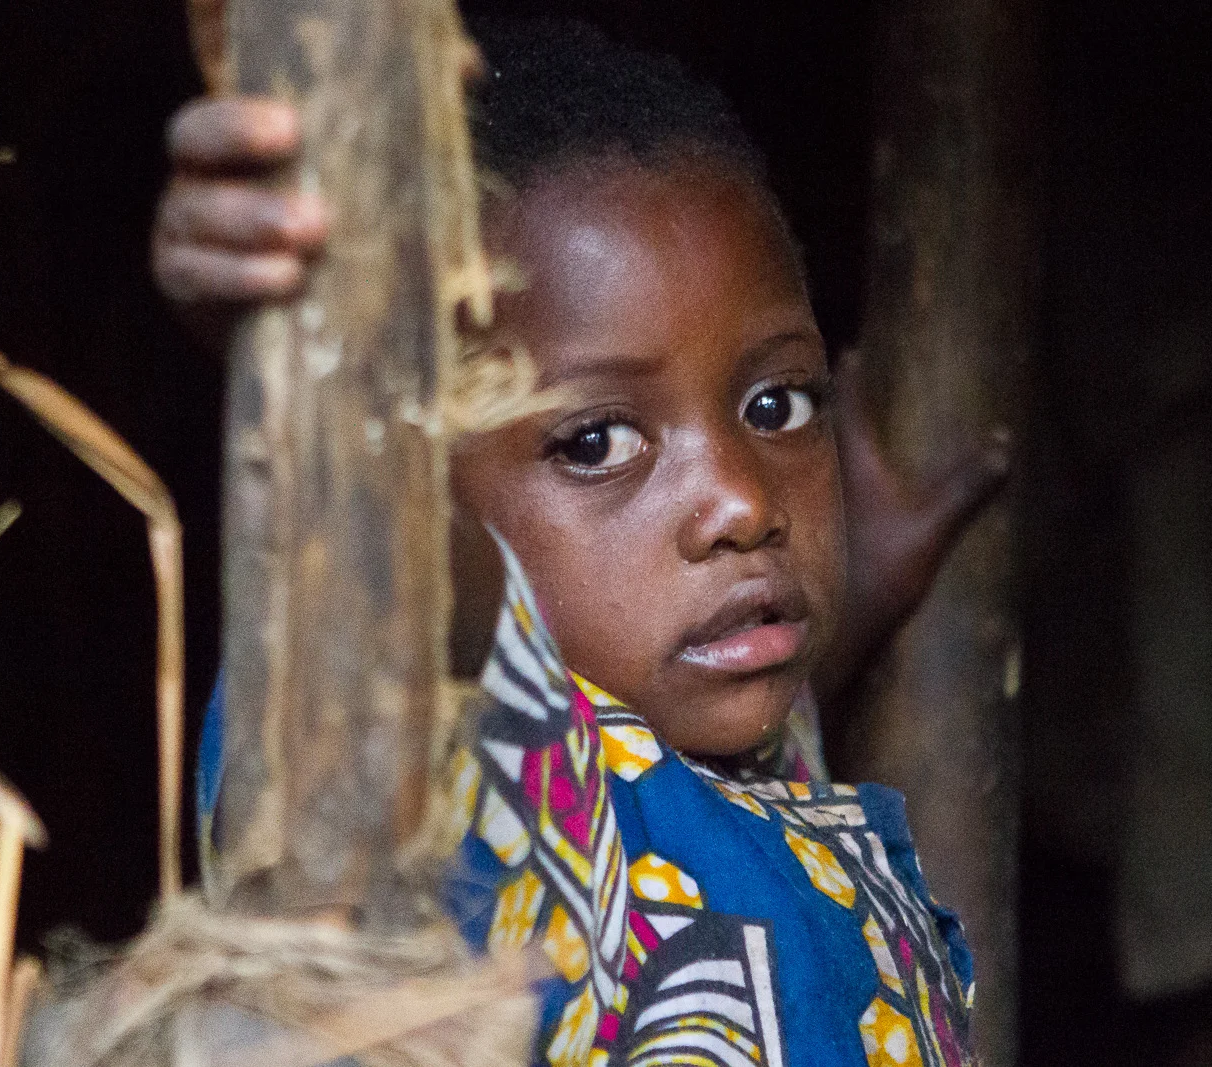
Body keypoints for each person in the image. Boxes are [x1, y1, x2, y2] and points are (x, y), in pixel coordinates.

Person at [157, 19, 1008, 1067]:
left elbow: (711, 796)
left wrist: (858, 581)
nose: (742, 501)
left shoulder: (718, 714)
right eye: (597, 442)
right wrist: (309, 355)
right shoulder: (457, 786)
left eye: (778, 404)